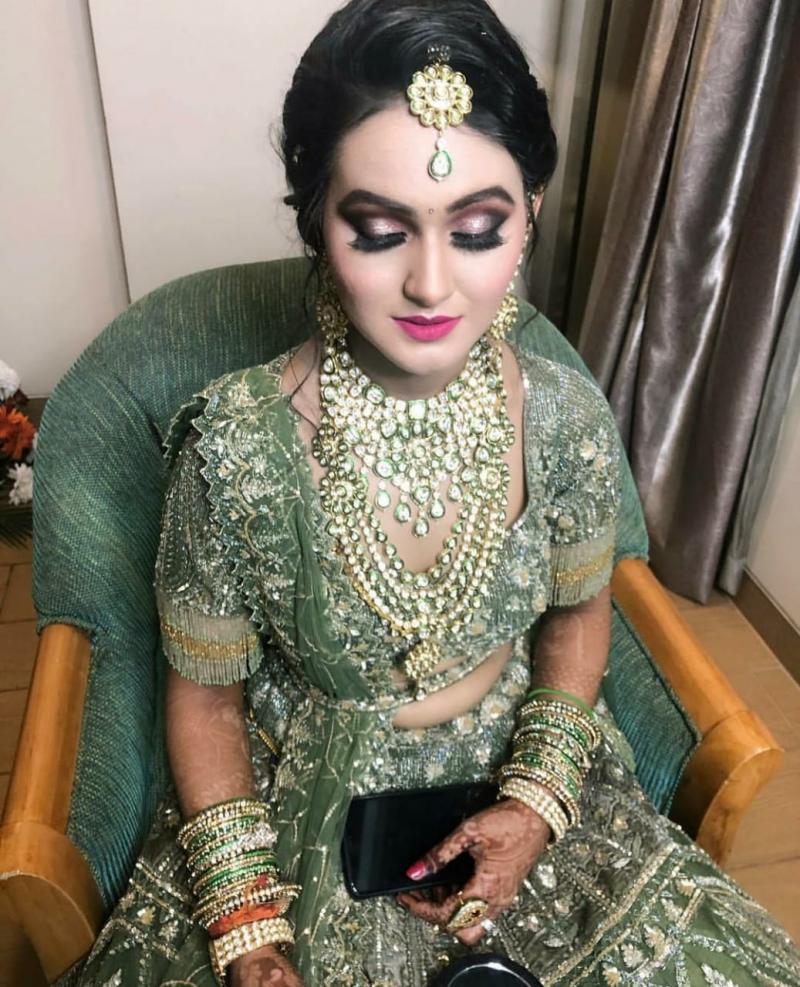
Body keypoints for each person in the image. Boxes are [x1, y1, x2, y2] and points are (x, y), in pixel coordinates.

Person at [66, 2, 800, 985]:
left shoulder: (562, 417)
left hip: (520, 769)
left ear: (529, 212)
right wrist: (248, 929)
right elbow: (204, 699)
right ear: (316, 223)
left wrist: (535, 802)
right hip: (296, 800)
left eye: (478, 229)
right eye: (378, 231)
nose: (430, 283)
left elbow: (579, 613)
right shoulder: (234, 447)